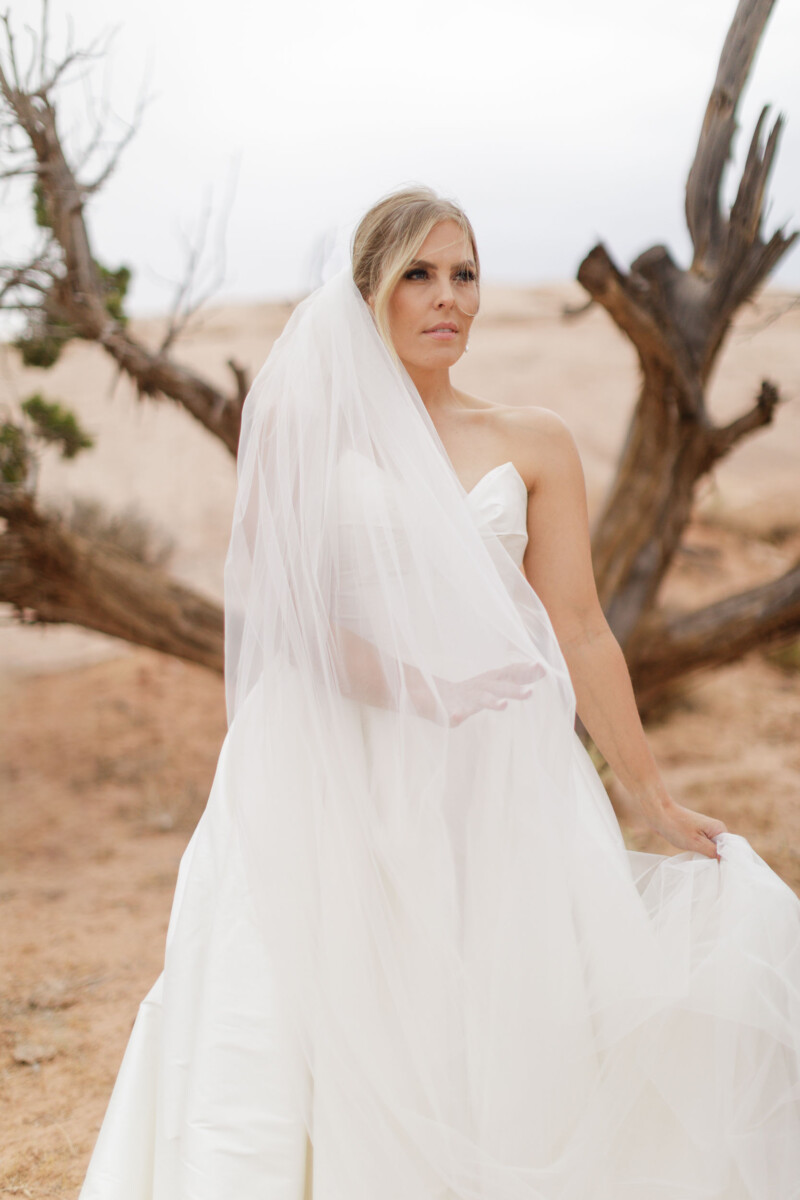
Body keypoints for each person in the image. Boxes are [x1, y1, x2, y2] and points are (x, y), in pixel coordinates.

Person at [80, 186, 800, 1200]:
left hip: (494, 773)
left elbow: (581, 629)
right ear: (367, 288)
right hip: (329, 765)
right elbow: (293, 621)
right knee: (302, 1013)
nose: (445, 296)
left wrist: (646, 795)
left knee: (497, 1015)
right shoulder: (309, 432)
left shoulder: (532, 439)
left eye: (463, 273)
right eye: (417, 273)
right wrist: (419, 686)